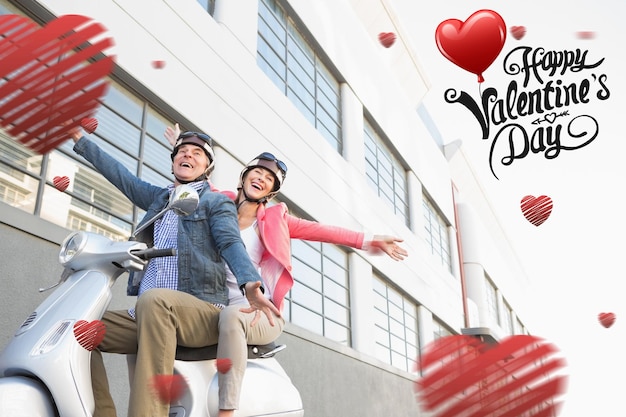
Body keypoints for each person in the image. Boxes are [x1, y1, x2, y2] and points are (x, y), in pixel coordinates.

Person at [165, 124, 409, 417]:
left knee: (232, 316)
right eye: (257, 172)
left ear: (270, 192)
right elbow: (193, 179)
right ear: (244, 177)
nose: (262, 179)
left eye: (269, 179)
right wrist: (183, 148)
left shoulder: (277, 218)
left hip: (260, 312)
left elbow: (323, 231)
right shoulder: (219, 202)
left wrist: (369, 239)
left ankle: (226, 411)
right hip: (215, 305)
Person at [69, 126, 279, 417]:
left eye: (197, 154)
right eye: (182, 152)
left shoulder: (215, 203)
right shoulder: (159, 199)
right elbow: (122, 177)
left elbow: (230, 241)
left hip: (201, 310)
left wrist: (248, 283)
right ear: (172, 162)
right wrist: (81, 140)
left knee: (156, 300)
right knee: (78, 329)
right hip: (150, 310)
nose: (188, 156)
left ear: (208, 168)